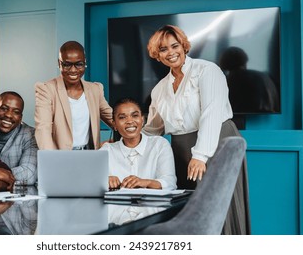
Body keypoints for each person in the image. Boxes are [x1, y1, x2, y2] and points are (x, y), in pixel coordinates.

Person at [142, 25, 250, 235]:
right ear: (157, 55)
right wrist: (125, 142)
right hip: (181, 153)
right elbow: (153, 128)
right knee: (191, 213)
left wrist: (200, 155)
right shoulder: (159, 89)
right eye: (163, 49)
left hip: (216, 143)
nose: (171, 52)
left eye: (175, 46)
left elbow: (211, 113)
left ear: (184, 46)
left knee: (217, 210)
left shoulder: (207, 70)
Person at [34, 40, 113, 150]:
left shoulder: (95, 89)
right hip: (60, 156)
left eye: (79, 64)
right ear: (59, 63)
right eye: (67, 65)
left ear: (85, 62)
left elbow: (114, 119)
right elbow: (43, 129)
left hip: (89, 153)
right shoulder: (46, 90)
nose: (73, 70)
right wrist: (52, 159)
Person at [100, 98, 176, 191]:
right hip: (117, 205)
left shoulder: (159, 145)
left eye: (135, 115)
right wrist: (103, 180)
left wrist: (145, 182)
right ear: (114, 124)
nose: (129, 121)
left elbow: (170, 183)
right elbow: (92, 182)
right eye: (122, 117)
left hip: (151, 204)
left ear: (142, 120)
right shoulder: (107, 150)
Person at [0, 91, 38, 185]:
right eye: (4, 108)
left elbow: (29, 173)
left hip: (15, 198)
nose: (8, 115)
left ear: (20, 118)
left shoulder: (31, 135)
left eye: (16, 112)